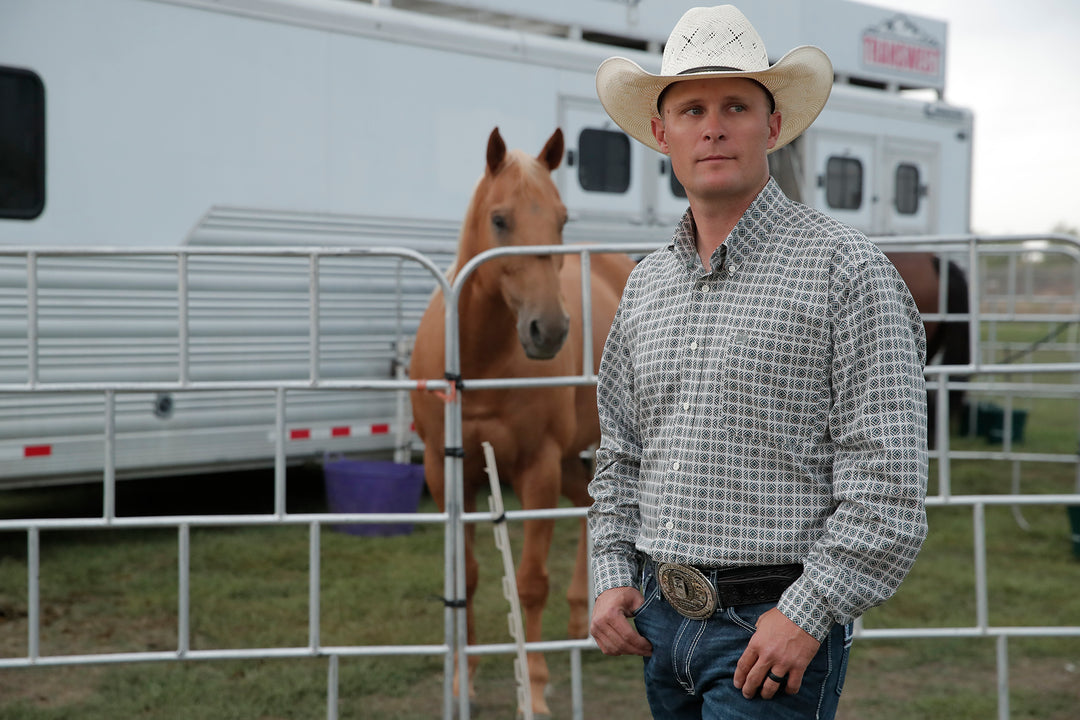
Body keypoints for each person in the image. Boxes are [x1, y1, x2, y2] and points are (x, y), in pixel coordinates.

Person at [586, 5, 929, 719]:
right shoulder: (645, 284)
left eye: (736, 105)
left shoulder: (845, 271)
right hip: (660, 623)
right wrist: (613, 571)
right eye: (692, 109)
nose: (713, 126)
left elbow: (888, 480)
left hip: (770, 630)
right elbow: (621, 450)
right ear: (661, 133)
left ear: (773, 127)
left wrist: (807, 612)